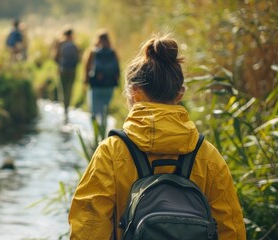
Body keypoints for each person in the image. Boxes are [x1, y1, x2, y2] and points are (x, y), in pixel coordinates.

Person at [68, 34, 246, 239]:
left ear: (134, 93)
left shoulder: (111, 152)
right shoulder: (207, 156)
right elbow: (232, 230)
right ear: (180, 94)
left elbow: (88, 227)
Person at [84, 30, 120, 124]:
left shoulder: (93, 51)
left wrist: (86, 81)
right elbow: (117, 67)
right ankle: (104, 134)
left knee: (94, 113)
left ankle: (95, 136)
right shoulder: (113, 52)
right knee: (105, 112)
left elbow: (87, 67)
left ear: (97, 39)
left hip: (96, 85)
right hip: (109, 85)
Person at [54, 28, 79, 122]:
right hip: (72, 70)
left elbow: (55, 57)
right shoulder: (75, 45)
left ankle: (64, 110)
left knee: (63, 90)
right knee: (69, 89)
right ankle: (67, 108)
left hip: (62, 70)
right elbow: (78, 59)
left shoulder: (61, 44)